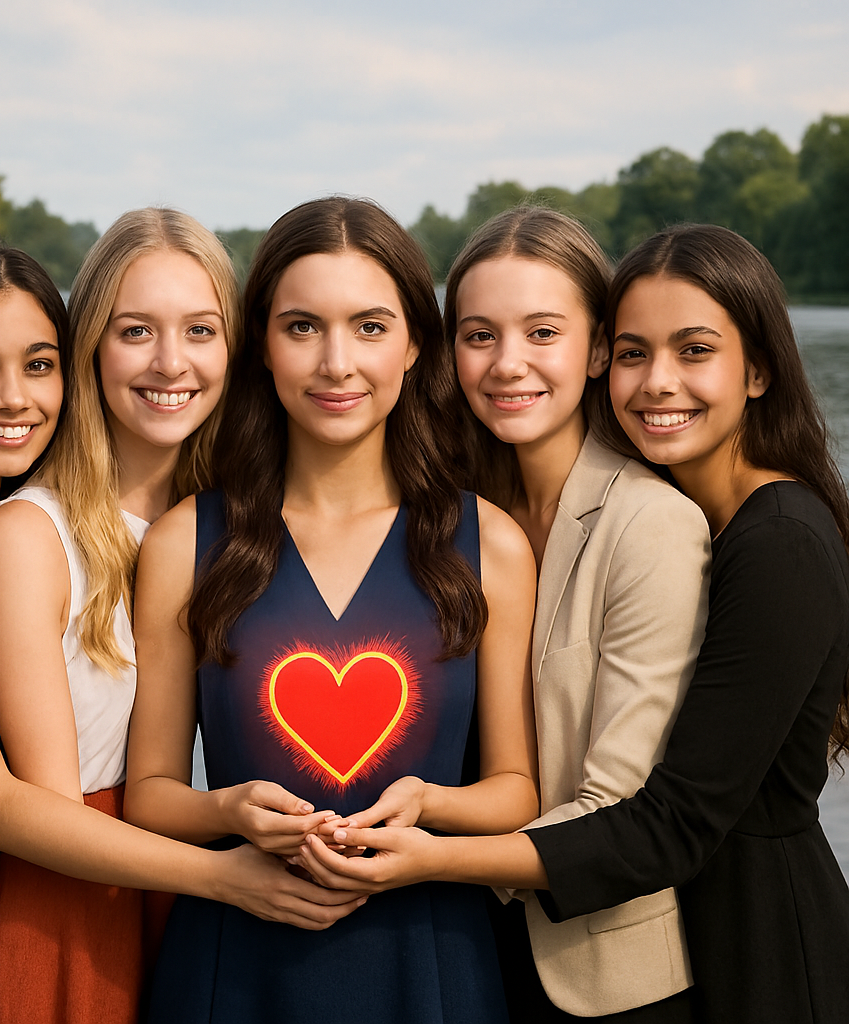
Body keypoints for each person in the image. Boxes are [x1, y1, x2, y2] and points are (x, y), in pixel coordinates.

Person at [295, 223, 849, 1024]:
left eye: (695, 351)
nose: (659, 382)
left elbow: (665, 819)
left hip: (735, 947)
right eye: (478, 335)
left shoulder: (726, 530)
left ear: (758, 368)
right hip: (488, 950)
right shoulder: (473, 514)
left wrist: (430, 859)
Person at [0, 242, 363, 1024]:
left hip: (46, 887)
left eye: (38, 365)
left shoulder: (43, 524)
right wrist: (222, 874)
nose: (14, 397)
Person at [124, 196, 539, 1024]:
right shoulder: (185, 542)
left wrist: (430, 811)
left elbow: (517, 791)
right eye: (303, 326)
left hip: (433, 962)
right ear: (263, 348)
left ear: (417, 344)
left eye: (371, 327)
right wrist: (225, 811)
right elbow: (151, 794)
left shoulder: (490, 543)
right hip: (235, 963)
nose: (336, 362)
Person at [0, 209, 236, 1024]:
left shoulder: (228, 526)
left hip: (189, 884)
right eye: (135, 331)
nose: (171, 362)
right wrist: (231, 873)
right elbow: (45, 812)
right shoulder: (30, 535)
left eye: (200, 329)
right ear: (90, 346)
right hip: (74, 905)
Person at [445, 207, 710, 1021]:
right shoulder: (456, 515)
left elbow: (620, 804)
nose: (507, 364)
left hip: (607, 973)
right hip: (460, 951)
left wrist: (414, 858)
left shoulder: (650, 523)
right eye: (479, 335)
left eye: (542, 333)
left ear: (597, 349)